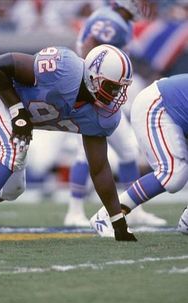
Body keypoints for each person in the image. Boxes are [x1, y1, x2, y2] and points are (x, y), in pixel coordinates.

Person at [0, 44, 137, 246]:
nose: (117, 94)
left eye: (120, 88)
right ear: (92, 77)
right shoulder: (64, 68)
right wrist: (17, 111)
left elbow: (100, 168)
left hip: (1, 105)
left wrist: (117, 219)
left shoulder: (102, 116)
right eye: (112, 87)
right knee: (12, 152)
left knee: (12, 188)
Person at [64, 0, 166, 227]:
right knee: (85, 153)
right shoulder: (112, 22)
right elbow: (89, 46)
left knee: (128, 150)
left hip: (101, 96)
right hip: (91, 96)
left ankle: (134, 210)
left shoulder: (118, 20)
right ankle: (74, 210)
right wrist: (92, 87)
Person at [90, 74, 188, 237]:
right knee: (172, 174)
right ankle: (106, 216)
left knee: (176, 175)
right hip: (159, 104)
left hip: (172, 109)